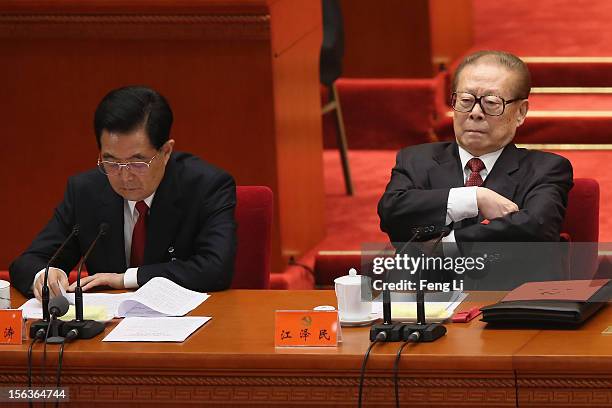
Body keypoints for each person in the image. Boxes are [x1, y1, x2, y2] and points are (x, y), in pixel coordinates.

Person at [10, 86, 237, 299]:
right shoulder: (85, 191)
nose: (125, 176)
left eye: (138, 162)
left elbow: (215, 269)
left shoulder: (206, 186)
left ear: (166, 151)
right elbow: (29, 261)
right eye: (111, 162)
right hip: (106, 332)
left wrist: (126, 279)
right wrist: (44, 276)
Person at [378, 50, 573, 246]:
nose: (475, 113)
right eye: (466, 100)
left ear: (521, 112)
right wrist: (474, 197)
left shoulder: (546, 169)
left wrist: (447, 246)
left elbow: (538, 229)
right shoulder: (417, 159)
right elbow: (392, 215)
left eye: (491, 103)